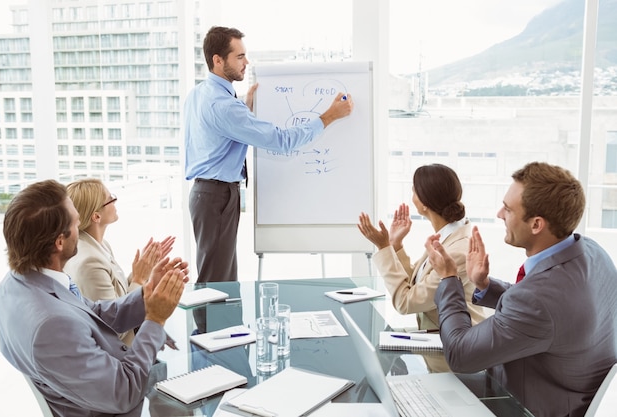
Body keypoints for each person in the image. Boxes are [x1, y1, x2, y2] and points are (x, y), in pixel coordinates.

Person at [425, 162, 617, 417]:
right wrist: (485, 284)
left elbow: (460, 355)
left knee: (421, 389)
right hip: (565, 395)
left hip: (524, 406)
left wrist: (449, 279)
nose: (499, 214)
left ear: (537, 224)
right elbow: (546, 308)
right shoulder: (592, 252)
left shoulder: (537, 300)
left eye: (507, 209)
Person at [0, 180, 189, 417]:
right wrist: (156, 319)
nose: (81, 228)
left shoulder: (16, 284)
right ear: (60, 241)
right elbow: (124, 393)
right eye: (77, 224)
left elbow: (93, 313)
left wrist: (146, 295)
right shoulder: (52, 326)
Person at [184, 25, 354, 283]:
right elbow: (282, 141)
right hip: (217, 197)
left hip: (206, 195)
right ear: (218, 60)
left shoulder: (199, 94)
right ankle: (214, 325)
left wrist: (244, 106)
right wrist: (329, 116)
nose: (246, 62)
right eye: (239, 56)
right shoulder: (225, 107)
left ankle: (217, 324)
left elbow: (214, 135)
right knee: (218, 282)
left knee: (218, 277)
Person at [358, 164, 486, 330]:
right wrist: (395, 245)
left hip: (459, 346)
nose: (411, 197)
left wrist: (384, 247)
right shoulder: (448, 236)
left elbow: (406, 302)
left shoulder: (456, 252)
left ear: (425, 202)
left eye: (413, 191)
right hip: (437, 338)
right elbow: (418, 285)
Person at [65, 178, 175, 346]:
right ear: (96, 216)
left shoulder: (98, 245)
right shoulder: (89, 262)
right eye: (111, 199)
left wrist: (144, 272)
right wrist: (139, 279)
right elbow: (115, 328)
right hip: (120, 357)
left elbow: (117, 296)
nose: (115, 201)